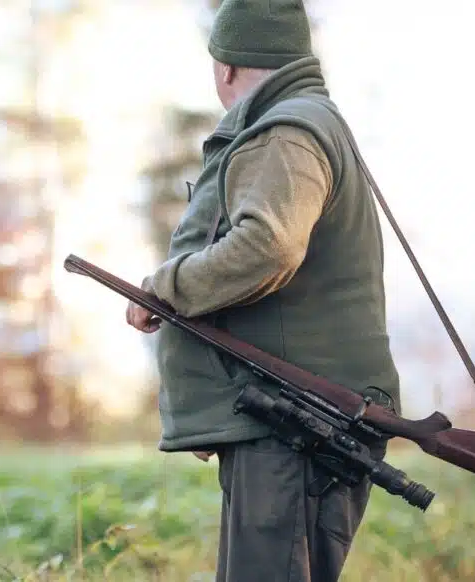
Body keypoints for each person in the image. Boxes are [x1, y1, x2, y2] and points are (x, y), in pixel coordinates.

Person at [124, 0, 402, 579]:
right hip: (291, 424)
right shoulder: (309, 124)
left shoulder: (287, 132)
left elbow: (267, 249)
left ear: (226, 66)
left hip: (298, 433)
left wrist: (165, 287)